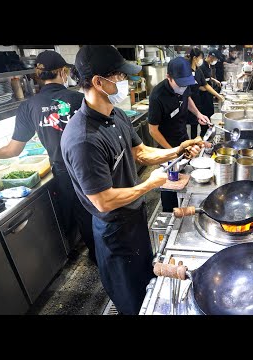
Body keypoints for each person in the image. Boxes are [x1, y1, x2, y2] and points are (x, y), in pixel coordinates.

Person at [60, 45, 203, 315]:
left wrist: (178, 149)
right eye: (120, 76)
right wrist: (151, 183)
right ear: (98, 82)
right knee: (132, 301)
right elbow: (103, 201)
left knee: (146, 285)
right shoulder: (83, 139)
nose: (127, 81)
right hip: (114, 230)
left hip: (135, 220)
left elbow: (140, 152)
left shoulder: (116, 115)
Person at [0, 50, 96, 263]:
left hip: (61, 171)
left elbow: (13, 150)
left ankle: (85, 256)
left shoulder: (28, 106)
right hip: (89, 166)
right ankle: (101, 257)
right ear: (63, 72)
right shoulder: (79, 99)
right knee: (94, 212)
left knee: (76, 213)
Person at [148, 56, 210, 212]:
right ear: (168, 77)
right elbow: (152, 130)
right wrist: (174, 152)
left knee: (187, 177)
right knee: (169, 184)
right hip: (166, 148)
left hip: (183, 139)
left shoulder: (184, 84)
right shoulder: (157, 96)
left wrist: (198, 114)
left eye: (186, 84)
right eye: (180, 84)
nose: (183, 87)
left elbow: (187, 97)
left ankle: (186, 206)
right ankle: (170, 213)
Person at [199, 50, 225, 126]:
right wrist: (218, 95)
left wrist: (214, 80)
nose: (216, 61)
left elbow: (207, 77)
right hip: (203, 96)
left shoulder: (208, 65)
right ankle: (204, 133)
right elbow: (202, 83)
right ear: (210, 57)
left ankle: (209, 129)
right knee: (206, 116)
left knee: (210, 113)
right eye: (216, 59)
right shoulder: (202, 66)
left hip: (208, 93)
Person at [186, 48, 207, 139]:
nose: (201, 60)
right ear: (194, 58)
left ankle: (195, 143)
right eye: (200, 57)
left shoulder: (198, 70)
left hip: (197, 101)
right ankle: (189, 144)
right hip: (187, 101)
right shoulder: (186, 70)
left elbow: (203, 85)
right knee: (188, 125)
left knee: (195, 124)